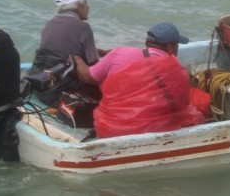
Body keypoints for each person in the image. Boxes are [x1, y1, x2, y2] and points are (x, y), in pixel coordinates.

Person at [72, 22, 206, 138]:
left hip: (110, 129)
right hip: (159, 129)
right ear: (170, 47)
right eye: (177, 45)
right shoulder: (177, 71)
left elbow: (86, 76)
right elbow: (181, 105)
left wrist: (77, 59)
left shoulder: (119, 53)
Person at [29, 0, 107, 105]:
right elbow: (94, 67)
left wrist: (102, 51)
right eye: (85, 3)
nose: (88, 7)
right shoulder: (83, 27)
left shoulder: (50, 24)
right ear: (79, 5)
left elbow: (64, 48)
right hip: (60, 93)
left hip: (40, 86)